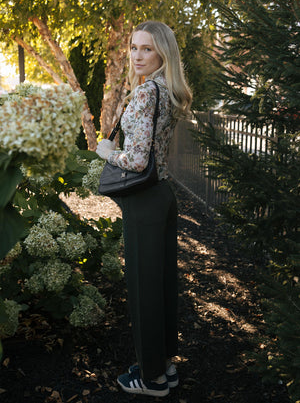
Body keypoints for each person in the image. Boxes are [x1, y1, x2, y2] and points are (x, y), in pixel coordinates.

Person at [96, 20, 192, 397]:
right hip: (164, 195)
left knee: (143, 290)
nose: (137, 55)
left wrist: (106, 151)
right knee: (162, 284)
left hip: (144, 200)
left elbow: (136, 160)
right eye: (134, 47)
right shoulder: (168, 90)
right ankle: (164, 366)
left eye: (146, 49)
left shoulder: (144, 94)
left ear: (162, 53)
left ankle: (151, 379)